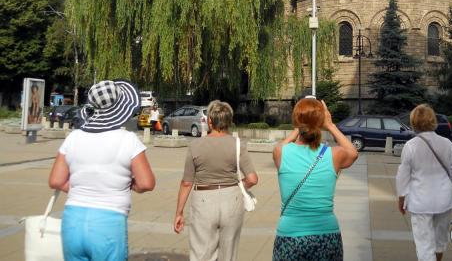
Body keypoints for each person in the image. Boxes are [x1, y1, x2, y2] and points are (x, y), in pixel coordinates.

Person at [48, 80, 156, 261]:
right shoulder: (128, 140)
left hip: (72, 220)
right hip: (109, 223)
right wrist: (130, 185)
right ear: (121, 107)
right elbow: (146, 183)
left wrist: (81, 186)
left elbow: (56, 181)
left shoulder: (73, 137)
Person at [272, 97, 358, 261]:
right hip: (326, 234)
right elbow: (353, 153)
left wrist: (298, 127)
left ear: (296, 122)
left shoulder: (280, 153)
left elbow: (282, 145)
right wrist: (330, 125)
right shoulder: (334, 155)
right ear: (321, 122)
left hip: (290, 235)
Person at [173, 100, 258, 261]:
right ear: (229, 122)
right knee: (229, 254)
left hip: (203, 201)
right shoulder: (237, 145)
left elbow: (186, 182)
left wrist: (179, 212)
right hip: (232, 199)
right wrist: (240, 185)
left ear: (210, 121)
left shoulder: (195, 145)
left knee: (201, 253)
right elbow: (253, 178)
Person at [396, 104, 452, 261]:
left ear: (413, 122)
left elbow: (403, 175)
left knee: (424, 244)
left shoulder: (411, 146)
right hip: (444, 200)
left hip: (420, 200)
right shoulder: (447, 143)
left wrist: (401, 198)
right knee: (440, 241)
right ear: (433, 120)